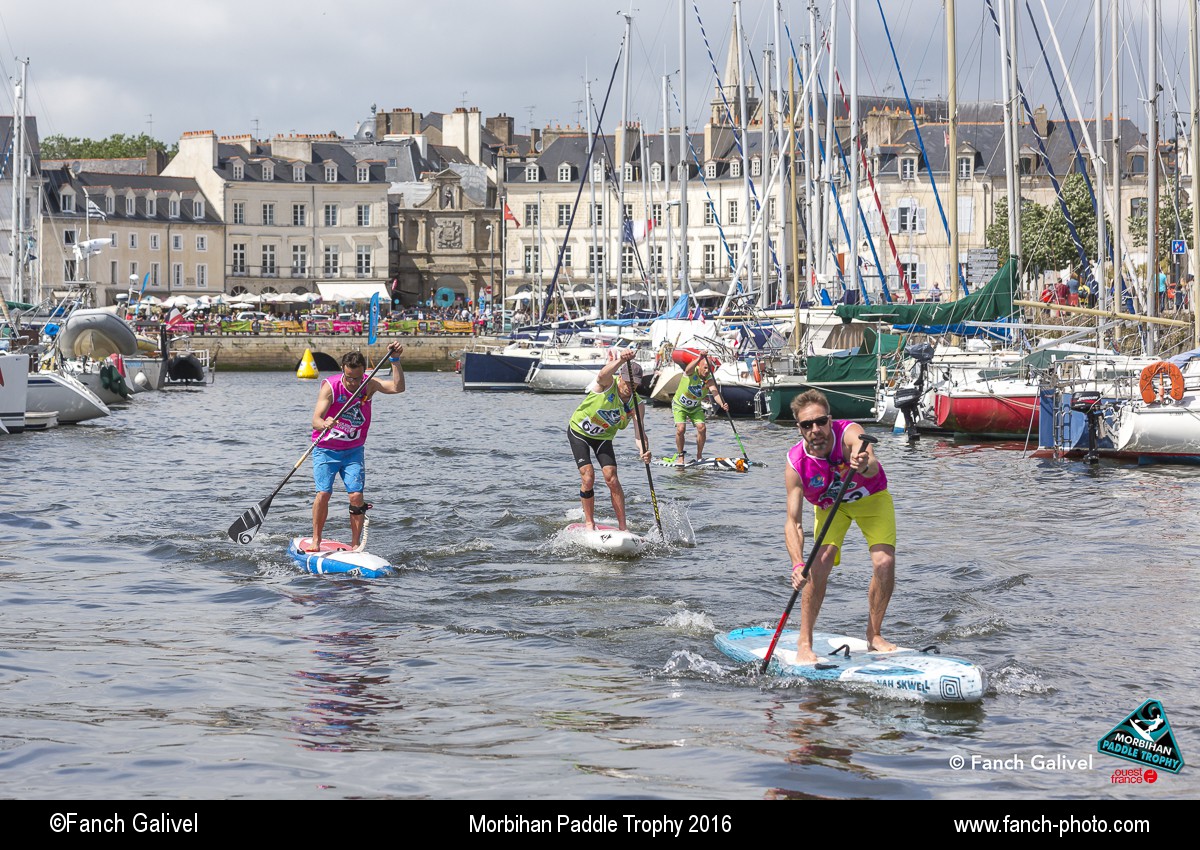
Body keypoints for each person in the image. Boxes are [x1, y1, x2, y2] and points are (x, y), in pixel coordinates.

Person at [784, 389, 897, 664]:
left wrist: (863, 463)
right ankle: (804, 642)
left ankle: (874, 635)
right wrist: (797, 564)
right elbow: (793, 522)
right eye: (807, 425)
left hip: (871, 498)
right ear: (799, 428)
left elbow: (871, 463)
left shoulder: (849, 433)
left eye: (821, 421)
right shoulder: (796, 464)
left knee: (884, 563)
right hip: (830, 507)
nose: (815, 429)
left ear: (830, 420)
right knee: (818, 564)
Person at [307, 341, 406, 551]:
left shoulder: (369, 384)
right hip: (326, 449)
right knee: (323, 493)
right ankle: (316, 539)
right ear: (343, 371)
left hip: (353, 450)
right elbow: (315, 420)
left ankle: (355, 544)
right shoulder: (331, 387)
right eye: (349, 377)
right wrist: (325, 423)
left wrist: (395, 360)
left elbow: (398, 388)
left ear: (363, 373)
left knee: (356, 496)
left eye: (357, 378)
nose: (353, 383)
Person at [567, 349, 651, 531]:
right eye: (627, 382)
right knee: (588, 476)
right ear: (620, 377)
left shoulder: (637, 404)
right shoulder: (607, 384)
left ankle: (623, 528)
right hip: (579, 432)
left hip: (603, 438)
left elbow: (639, 433)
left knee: (611, 478)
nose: (630, 387)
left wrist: (643, 450)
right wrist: (620, 360)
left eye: (635, 384)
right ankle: (589, 523)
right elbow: (601, 374)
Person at [671, 351, 729, 466]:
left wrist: (722, 404)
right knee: (681, 429)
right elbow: (687, 369)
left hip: (695, 407)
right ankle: (681, 456)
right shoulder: (692, 372)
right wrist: (699, 358)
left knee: (702, 428)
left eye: (710, 369)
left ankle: (699, 456)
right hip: (680, 405)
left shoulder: (709, 380)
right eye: (705, 368)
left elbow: (715, 393)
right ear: (700, 366)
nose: (707, 371)